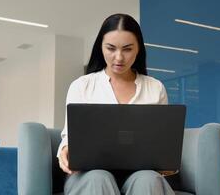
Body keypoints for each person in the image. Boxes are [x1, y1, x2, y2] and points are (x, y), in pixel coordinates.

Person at [57, 13, 175, 195]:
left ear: (138, 49)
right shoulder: (82, 86)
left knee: (149, 180)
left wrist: (165, 161)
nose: (118, 57)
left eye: (127, 49)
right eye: (111, 48)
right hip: (90, 175)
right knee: (99, 179)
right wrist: (66, 149)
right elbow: (69, 136)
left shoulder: (155, 88)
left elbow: (161, 142)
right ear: (100, 47)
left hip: (139, 174)